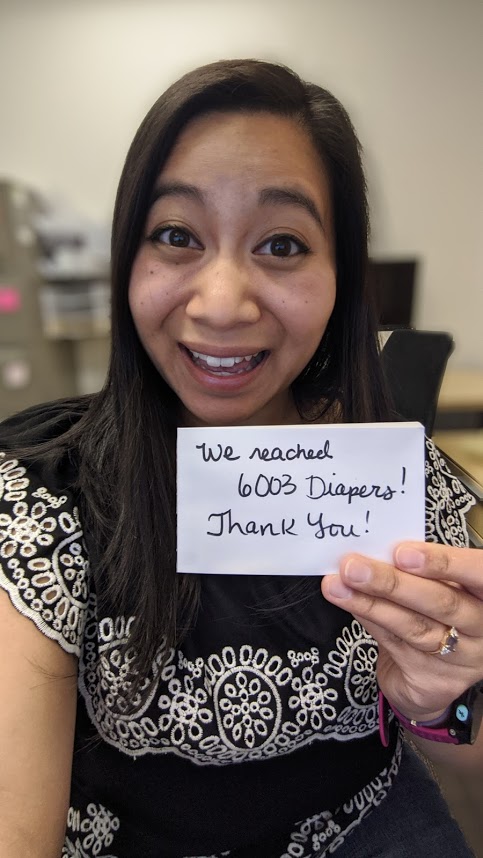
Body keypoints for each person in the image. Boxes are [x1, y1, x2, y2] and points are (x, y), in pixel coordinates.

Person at [0, 59, 482, 858]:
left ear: (341, 280)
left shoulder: (397, 484)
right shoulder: (43, 497)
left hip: (364, 824)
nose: (221, 304)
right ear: (128, 260)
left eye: (283, 243)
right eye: (177, 236)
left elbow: (459, 743)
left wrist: (441, 701)